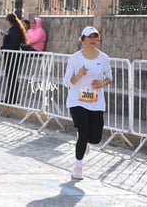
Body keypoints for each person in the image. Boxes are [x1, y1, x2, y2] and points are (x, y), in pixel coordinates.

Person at [63, 26, 112, 180]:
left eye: (95, 36)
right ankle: (78, 167)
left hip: (96, 101)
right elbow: (66, 82)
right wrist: (79, 75)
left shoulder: (104, 58)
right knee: (84, 132)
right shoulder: (75, 58)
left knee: (95, 138)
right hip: (77, 100)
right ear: (82, 39)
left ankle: (85, 141)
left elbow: (109, 77)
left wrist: (101, 84)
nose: (92, 40)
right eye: (89, 37)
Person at [0, 13, 28, 104]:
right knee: (11, 77)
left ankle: (12, 98)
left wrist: (2, 48)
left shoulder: (15, 30)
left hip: (13, 57)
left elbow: (14, 45)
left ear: (9, 21)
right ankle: (10, 97)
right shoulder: (13, 30)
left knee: (12, 77)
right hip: (10, 57)